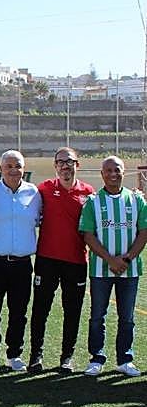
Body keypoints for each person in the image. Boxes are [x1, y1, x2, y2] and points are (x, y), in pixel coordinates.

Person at [27, 147, 94, 374]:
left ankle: (67, 358)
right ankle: (35, 356)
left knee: (72, 311)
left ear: (77, 164)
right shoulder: (44, 189)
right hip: (47, 259)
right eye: (61, 162)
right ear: (55, 166)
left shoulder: (88, 192)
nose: (65, 166)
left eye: (69, 161)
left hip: (76, 261)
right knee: (40, 309)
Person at [80, 155, 147, 377]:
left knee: (127, 318)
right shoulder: (92, 202)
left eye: (117, 170)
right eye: (108, 170)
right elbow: (88, 235)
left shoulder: (136, 200)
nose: (113, 174)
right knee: (97, 316)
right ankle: (96, 358)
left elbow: (143, 232)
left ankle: (125, 359)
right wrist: (110, 260)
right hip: (101, 270)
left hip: (130, 270)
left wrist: (126, 259)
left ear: (123, 172)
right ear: (102, 174)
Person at [0, 150, 41, 372]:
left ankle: (14, 354)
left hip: (22, 264)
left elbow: (40, 220)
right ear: (1, 169)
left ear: (24, 168)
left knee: (19, 312)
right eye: (9, 166)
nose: (14, 170)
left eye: (18, 166)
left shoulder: (34, 193)